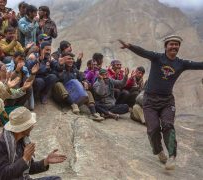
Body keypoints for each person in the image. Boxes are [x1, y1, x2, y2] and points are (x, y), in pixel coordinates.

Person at [119, 35, 203, 170]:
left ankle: (172, 156)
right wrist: (130, 46)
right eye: (171, 44)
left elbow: (199, 65)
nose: (174, 47)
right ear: (166, 46)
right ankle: (158, 151)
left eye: (177, 44)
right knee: (153, 129)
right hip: (150, 100)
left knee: (168, 125)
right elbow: (143, 52)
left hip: (167, 101)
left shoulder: (181, 63)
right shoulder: (157, 57)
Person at [0, 107, 66, 180]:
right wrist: (24, 159)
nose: (33, 125)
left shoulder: (22, 141)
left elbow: (28, 168)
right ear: (23, 128)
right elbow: (2, 175)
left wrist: (46, 161)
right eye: (30, 124)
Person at [53, 52, 103, 121]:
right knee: (58, 84)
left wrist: (85, 82)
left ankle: (93, 113)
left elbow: (82, 77)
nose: (71, 61)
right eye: (69, 59)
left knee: (88, 92)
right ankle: (73, 105)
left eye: (72, 59)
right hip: (62, 96)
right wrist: (61, 66)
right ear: (63, 59)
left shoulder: (74, 69)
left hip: (73, 94)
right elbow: (56, 77)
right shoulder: (58, 67)